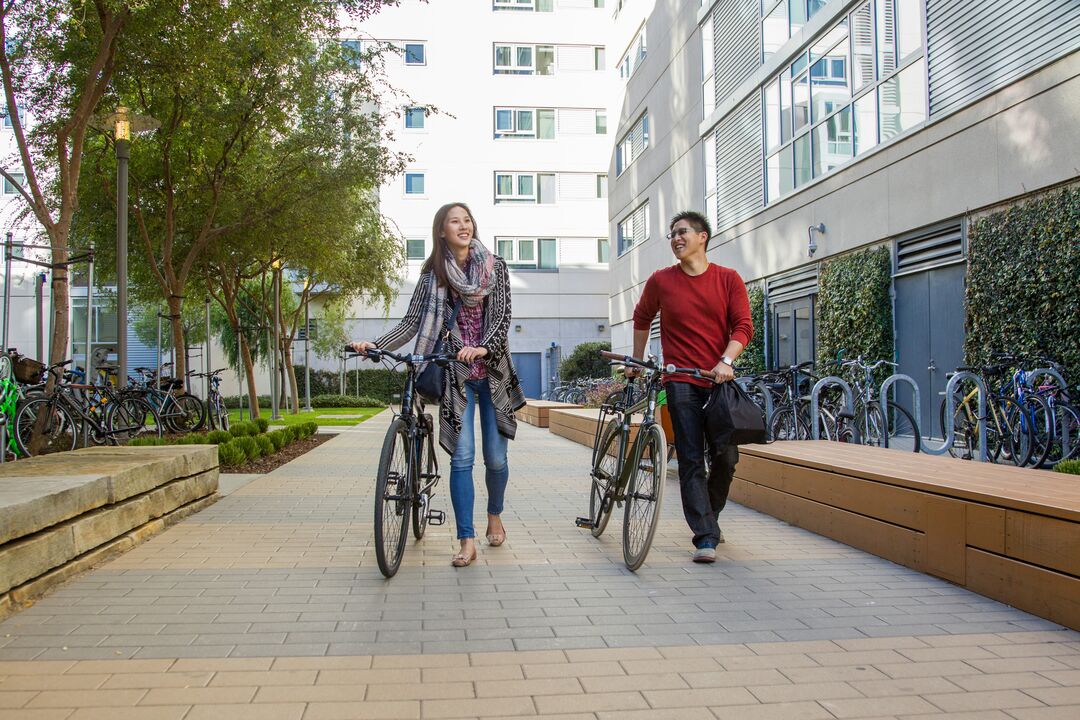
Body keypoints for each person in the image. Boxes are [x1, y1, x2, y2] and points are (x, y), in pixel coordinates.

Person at [349, 202, 526, 568]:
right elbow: (413, 322)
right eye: (454, 222)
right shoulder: (433, 274)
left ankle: (495, 514)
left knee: (495, 459)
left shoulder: (497, 268)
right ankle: (466, 539)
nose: (463, 226)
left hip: (493, 374)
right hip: (454, 375)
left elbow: (504, 316)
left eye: (467, 220)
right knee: (462, 460)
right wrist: (376, 346)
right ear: (442, 231)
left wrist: (481, 347)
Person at [627, 210, 753, 563]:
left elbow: (743, 326)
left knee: (727, 457)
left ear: (703, 237)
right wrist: (637, 362)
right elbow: (641, 317)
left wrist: (726, 361)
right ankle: (705, 536)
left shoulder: (728, 280)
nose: (675, 238)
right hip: (679, 379)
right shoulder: (661, 281)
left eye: (682, 232)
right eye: (671, 234)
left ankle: (709, 517)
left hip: (717, 381)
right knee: (691, 459)